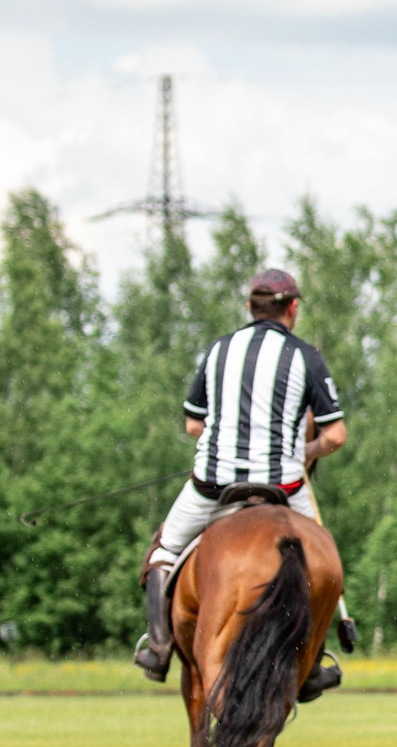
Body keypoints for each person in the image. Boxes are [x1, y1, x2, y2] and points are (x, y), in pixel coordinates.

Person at [132, 268, 351, 692]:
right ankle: (313, 664)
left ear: (250, 308)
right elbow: (336, 436)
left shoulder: (219, 350)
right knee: (326, 563)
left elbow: (193, 425)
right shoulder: (306, 355)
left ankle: (158, 648)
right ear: (293, 308)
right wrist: (306, 452)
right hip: (284, 486)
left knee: (162, 552)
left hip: (214, 483)